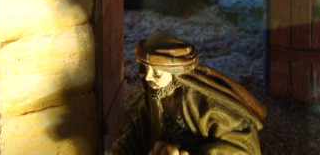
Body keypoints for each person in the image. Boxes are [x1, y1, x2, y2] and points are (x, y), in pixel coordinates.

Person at [107, 33, 266, 155]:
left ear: (175, 73)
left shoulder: (209, 106)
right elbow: (133, 136)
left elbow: (242, 147)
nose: (148, 77)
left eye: (157, 73)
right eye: (145, 69)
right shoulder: (153, 101)